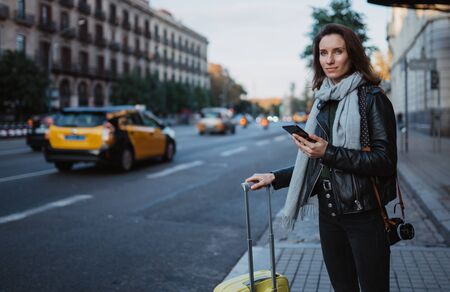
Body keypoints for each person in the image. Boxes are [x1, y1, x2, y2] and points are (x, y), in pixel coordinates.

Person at [245, 23, 397, 292]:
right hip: (329, 216)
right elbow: (316, 165)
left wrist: (329, 152)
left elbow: (385, 161)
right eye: (322, 53)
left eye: (337, 51)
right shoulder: (322, 101)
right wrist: (275, 177)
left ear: (351, 53)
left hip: (364, 215)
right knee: (343, 288)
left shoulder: (372, 98)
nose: (329, 59)